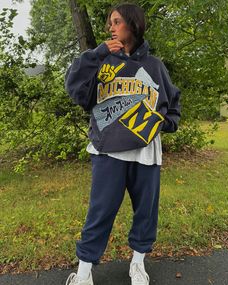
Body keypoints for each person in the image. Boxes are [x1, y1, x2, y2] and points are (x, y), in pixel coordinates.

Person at [65, 3, 181, 285]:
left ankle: (138, 264)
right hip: (108, 151)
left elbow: (173, 106)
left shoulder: (154, 67)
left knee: (146, 212)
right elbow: (75, 88)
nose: (111, 27)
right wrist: (98, 53)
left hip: (145, 152)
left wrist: (164, 123)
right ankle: (83, 273)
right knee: (100, 212)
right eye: (109, 23)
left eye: (116, 22)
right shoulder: (102, 63)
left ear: (133, 25)